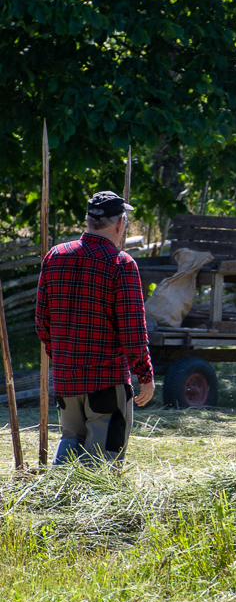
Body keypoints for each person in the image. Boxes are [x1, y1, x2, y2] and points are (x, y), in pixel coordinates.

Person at [36, 191, 156, 465]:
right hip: (106, 379)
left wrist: (64, 357)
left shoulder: (55, 256)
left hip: (67, 378)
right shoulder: (121, 264)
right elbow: (133, 331)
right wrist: (145, 374)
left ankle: (59, 500)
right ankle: (88, 506)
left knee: (70, 441)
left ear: (89, 222)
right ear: (119, 224)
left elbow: (42, 323)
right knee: (102, 459)